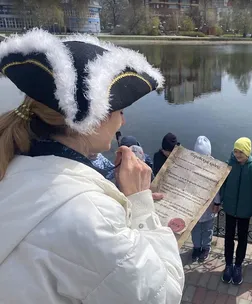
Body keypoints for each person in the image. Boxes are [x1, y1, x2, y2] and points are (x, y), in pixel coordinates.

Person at [0, 29, 184, 303]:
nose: (123, 122)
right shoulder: (93, 219)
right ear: (93, 121)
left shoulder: (14, 159)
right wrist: (140, 203)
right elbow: (164, 294)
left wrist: (109, 189)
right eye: (119, 112)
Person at [220, 137, 252, 285]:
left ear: (248, 152)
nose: (237, 155)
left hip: (245, 211)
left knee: (242, 239)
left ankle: (238, 265)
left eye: (241, 152)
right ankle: (228, 264)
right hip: (230, 208)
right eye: (236, 151)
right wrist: (223, 199)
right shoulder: (229, 165)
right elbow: (222, 183)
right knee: (229, 237)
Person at [191, 136, 221, 263]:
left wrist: (217, 202)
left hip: (209, 205)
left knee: (208, 227)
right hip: (194, 203)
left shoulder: (215, 167)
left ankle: (206, 247)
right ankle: (197, 247)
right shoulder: (190, 165)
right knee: (195, 227)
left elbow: (217, 187)